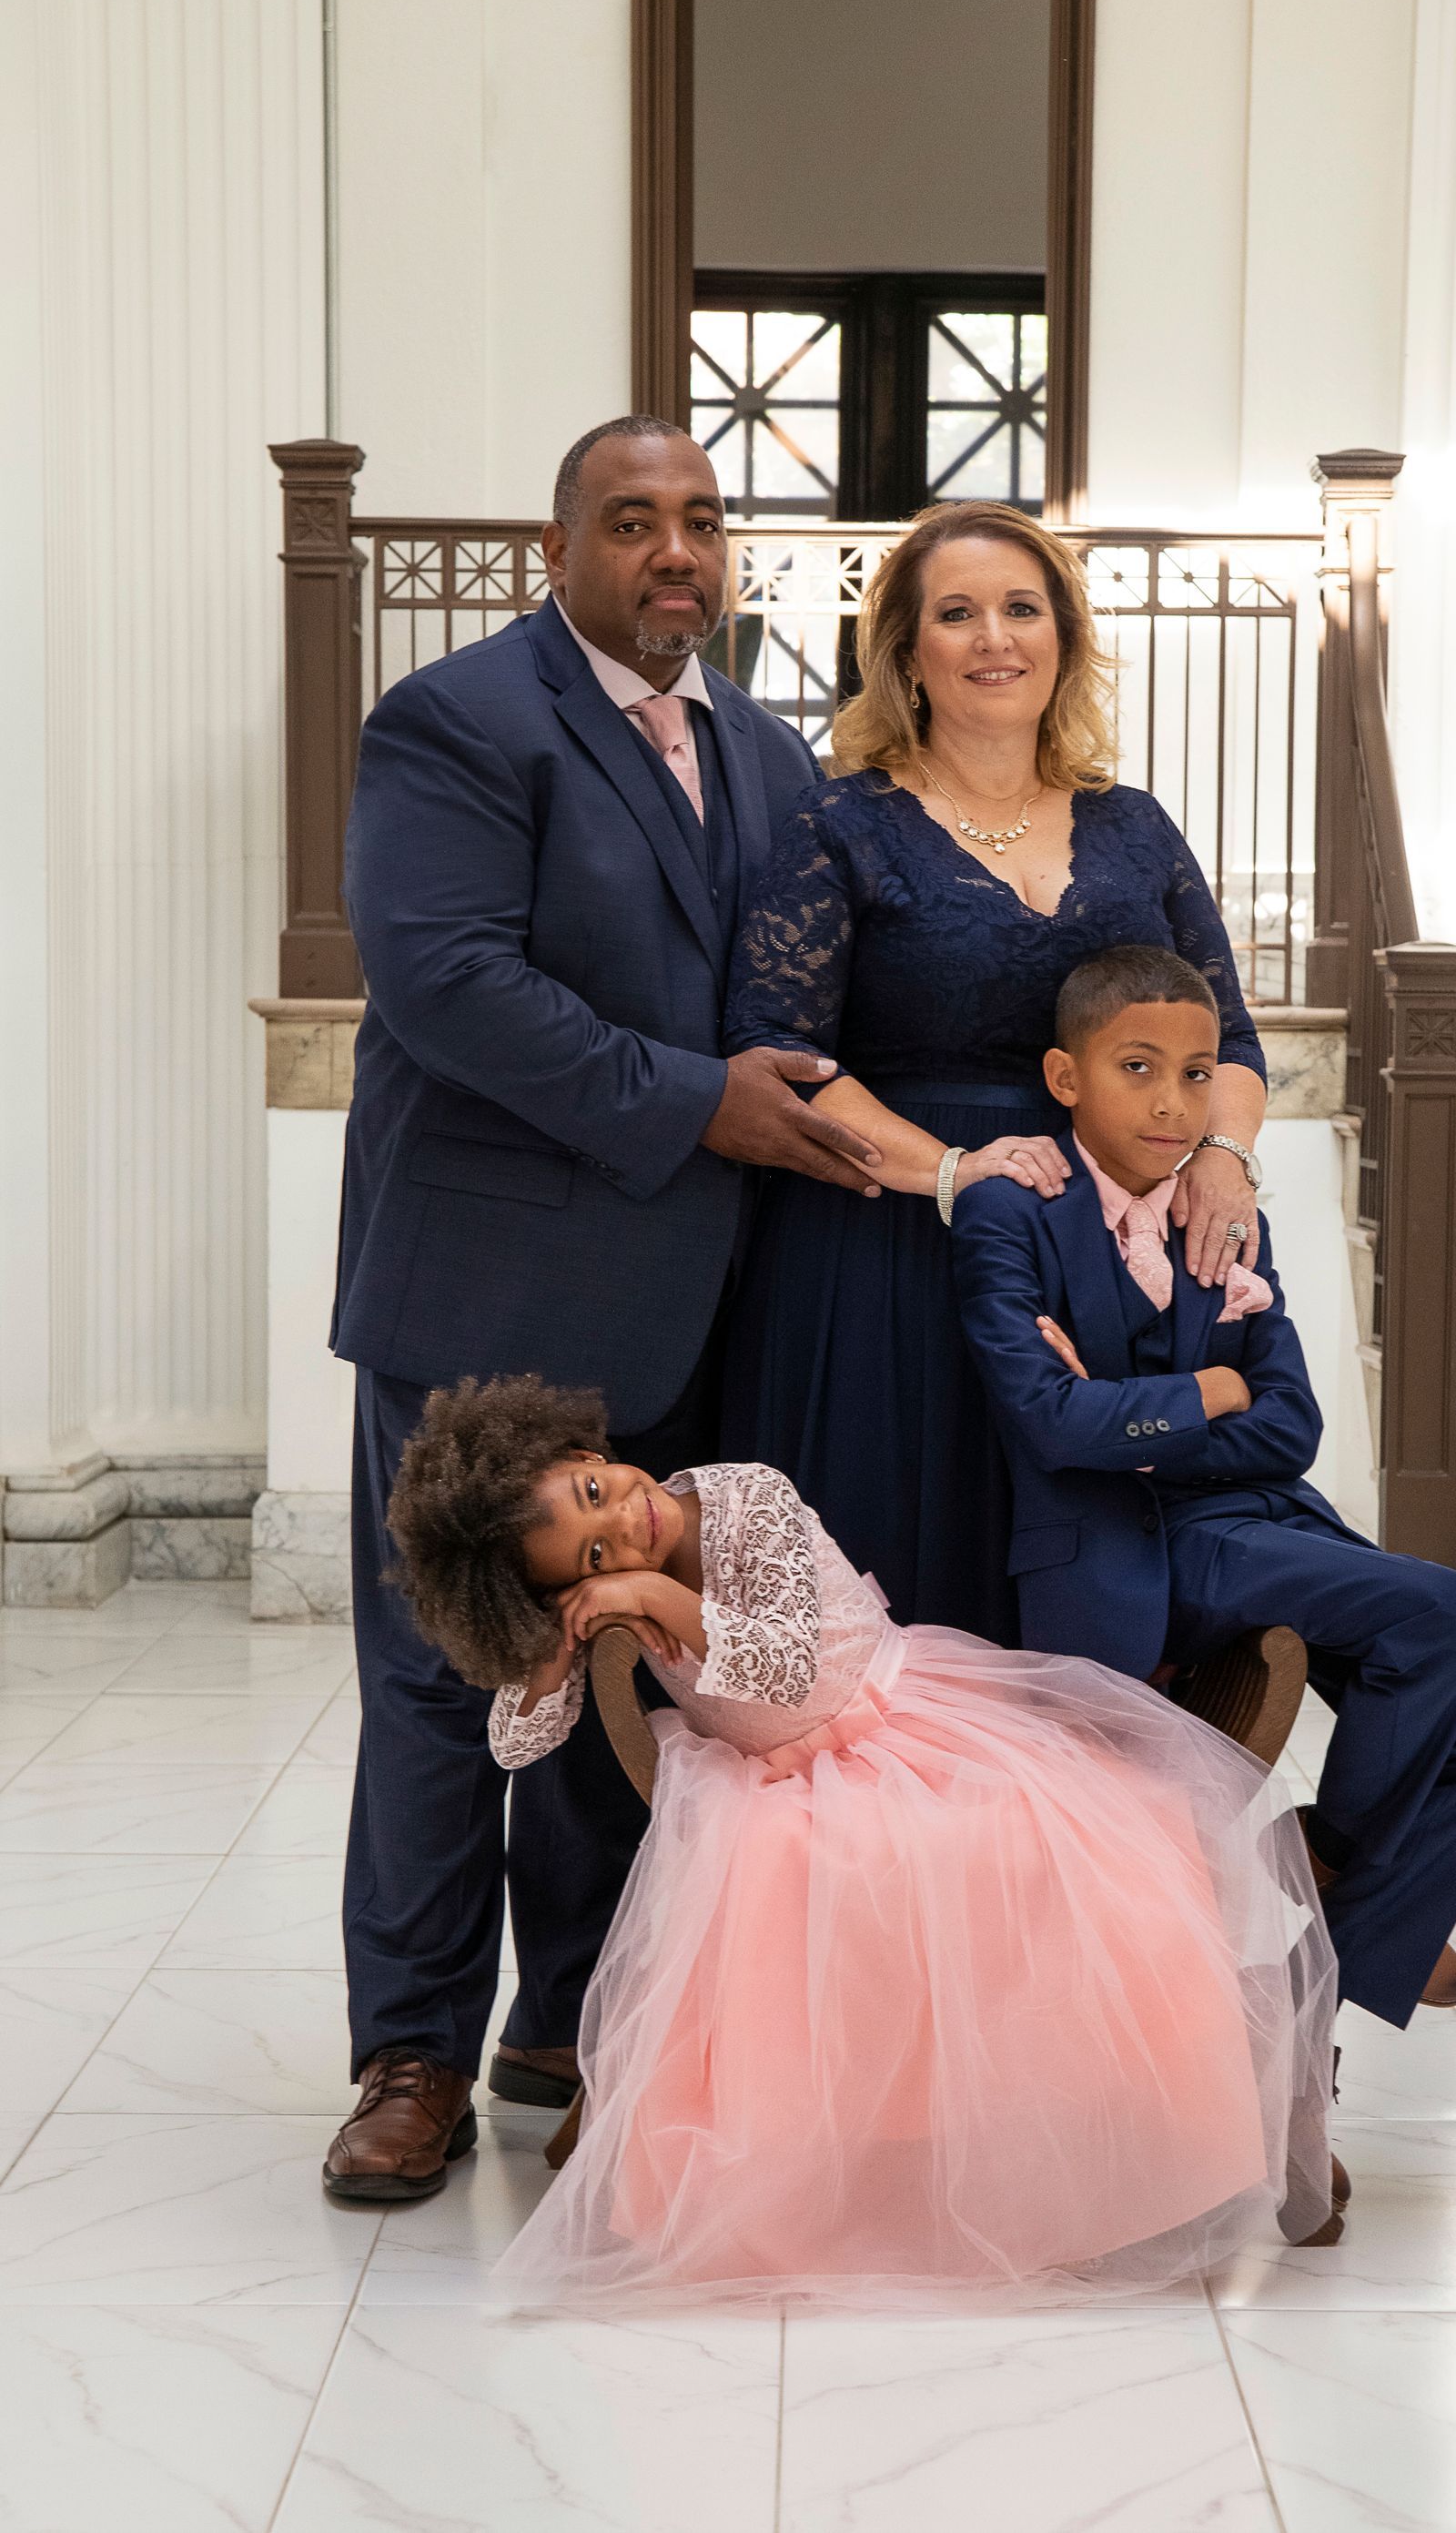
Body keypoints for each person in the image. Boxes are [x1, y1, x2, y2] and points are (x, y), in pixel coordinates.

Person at [322, 417, 878, 2204]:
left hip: (684, 1298)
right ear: (553, 548)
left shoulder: (771, 757)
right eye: (632, 520)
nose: (674, 551)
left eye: (703, 521)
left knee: (618, 1673)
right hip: (481, 1301)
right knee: (440, 1682)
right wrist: (696, 1101)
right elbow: (447, 983)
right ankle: (409, 2047)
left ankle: (564, 2020)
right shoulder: (462, 724)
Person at [380, 1375, 1340, 2305]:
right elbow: (516, 1744)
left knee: (1035, 1857)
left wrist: (657, 1599)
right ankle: (803, 2184)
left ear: (590, 1454)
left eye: (597, 1493)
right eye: (590, 1555)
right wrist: (552, 1653)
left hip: (898, 1728)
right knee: (777, 1880)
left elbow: (790, 1669)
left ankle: (1083, 2149)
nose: (622, 1527)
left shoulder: (746, 1497)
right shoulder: (607, 1586)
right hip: (772, 1785)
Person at [953, 943, 1456, 2031]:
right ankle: (1326, 1876)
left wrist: (1149, 1415)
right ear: (1063, 1075)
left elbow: (1292, 1430)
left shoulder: (1228, 1214)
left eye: (1196, 1072)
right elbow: (1045, 1421)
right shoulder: (1012, 1212)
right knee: (1441, 1605)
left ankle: (1329, 1927)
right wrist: (1210, 1390)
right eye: (1137, 1068)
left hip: (1257, 1521)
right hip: (1134, 1544)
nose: (1174, 1101)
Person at [721, 500, 1270, 1647]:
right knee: (902, 1593)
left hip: (1097, 1254)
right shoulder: (840, 824)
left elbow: (1235, 1044)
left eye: (1022, 609)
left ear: (1063, 638)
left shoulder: (1136, 829)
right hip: (886, 1254)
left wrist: (1222, 1156)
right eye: (957, 614)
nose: (993, 638)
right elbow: (785, 1057)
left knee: (1081, 1596)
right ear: (907, 653)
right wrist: (958, 1174)